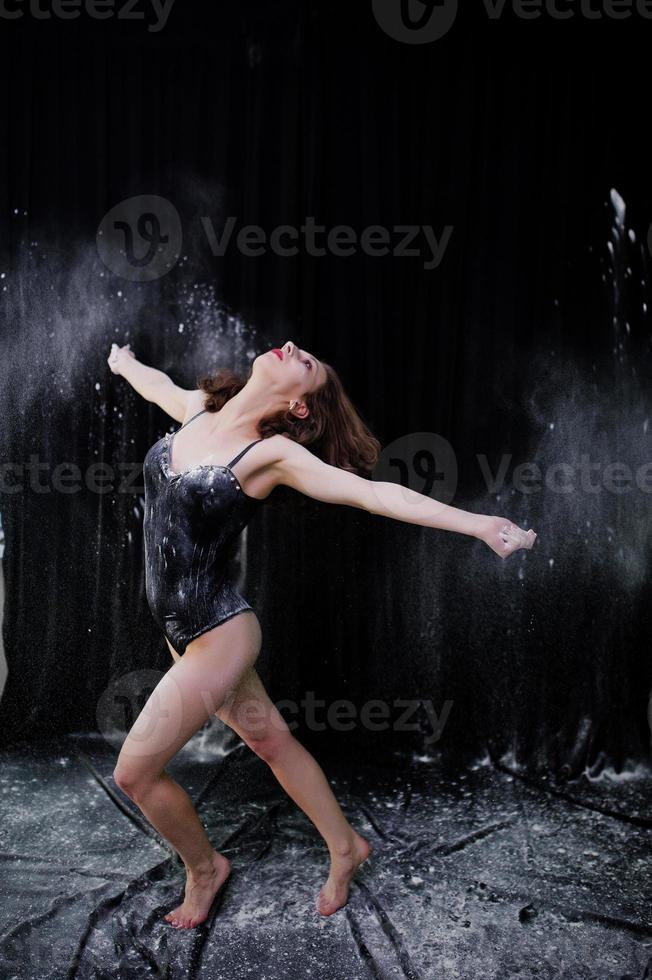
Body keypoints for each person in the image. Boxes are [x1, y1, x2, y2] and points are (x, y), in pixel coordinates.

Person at [107, 339, 537, 929]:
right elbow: (158, 387)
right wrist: (126, 364)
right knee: (272, 744)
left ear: (301, 407)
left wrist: (481, 524)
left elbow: (374, 494)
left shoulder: (271, 454)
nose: (292, 347)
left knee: (134, 772)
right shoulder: (199, 411)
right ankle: (346, 846)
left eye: (305, 363)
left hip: (219, 633)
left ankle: (205, 868)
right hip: (181, 633)